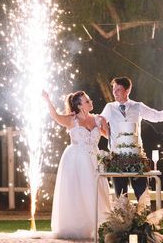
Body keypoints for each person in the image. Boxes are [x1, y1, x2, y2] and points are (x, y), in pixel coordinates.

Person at [42, 89, 112, 239]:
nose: (90, 102)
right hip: (75, 160)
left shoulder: (99, 119)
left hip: (94, 159)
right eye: (87, 101)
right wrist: (48, 101)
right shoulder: (71, 120)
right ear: (80, 106)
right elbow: (55, 116)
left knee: (95, 190)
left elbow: (110, 138)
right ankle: (78, 226)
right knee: (77, 192)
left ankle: (99, 225)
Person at [101, 76, 163, 200]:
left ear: (127, 91)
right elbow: (99, 122)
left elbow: (156, 116)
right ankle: (123, 219)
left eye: (118, 89)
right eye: (114, 89)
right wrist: (110, 137)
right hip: (117, 157)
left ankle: (144, 217)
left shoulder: (137, 106)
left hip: (136, 157)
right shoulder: (109, 107)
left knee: (141, 193)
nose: (115, 92)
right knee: (121, 196)